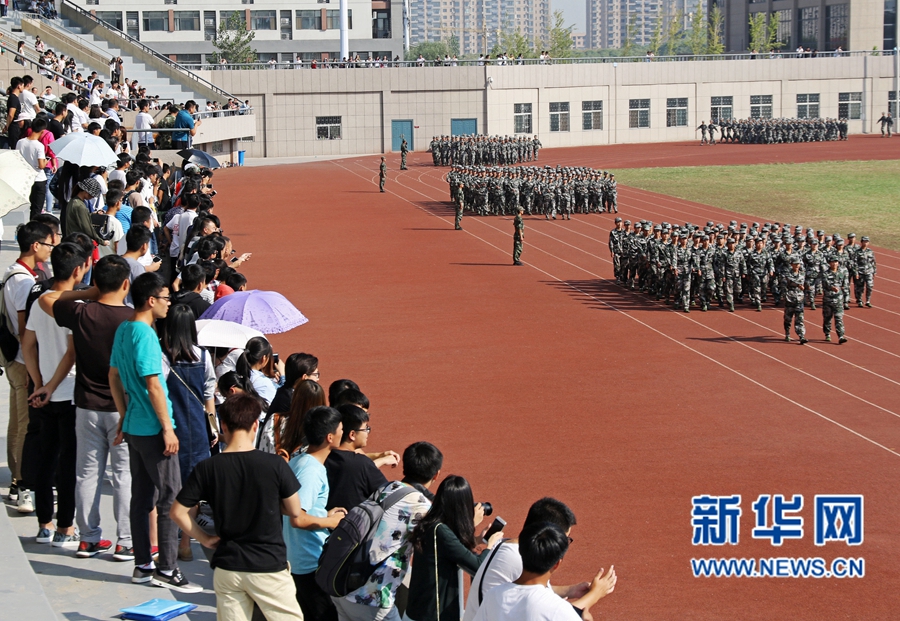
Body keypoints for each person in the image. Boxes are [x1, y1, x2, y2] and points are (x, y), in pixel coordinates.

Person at [170, 393, 305, 621]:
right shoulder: (274, 464)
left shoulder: (207, 467)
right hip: (268, 565)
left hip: (228, 566)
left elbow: (177, 512)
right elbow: (294, 510)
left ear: (223, 425)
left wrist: (205, 539)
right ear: (255, 425)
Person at [109, 272, 200, 592]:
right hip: (153, 430)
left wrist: (124, 416)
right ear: (151, 300)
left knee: (141, 497)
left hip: (135, 426)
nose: (168, 304)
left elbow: (113, 376)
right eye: (165, 298)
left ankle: (143, 564)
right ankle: (168, 567)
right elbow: (153, 385)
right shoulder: (145, 335)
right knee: (170, 497)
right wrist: (167, 429)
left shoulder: (124, 329)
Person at [41, 255, 135, 558]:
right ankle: (125, 541)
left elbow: (47, 298)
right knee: (123, 476)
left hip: (86, 405)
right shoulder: (133, 319)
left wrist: (89, 293)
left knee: (87, 473)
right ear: (126, 283)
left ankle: (89, 538)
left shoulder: (81, 312)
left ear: (96, 282)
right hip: (123, 410)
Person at [464, 498, 616, 621]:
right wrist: (595, 595)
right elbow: (550, 610)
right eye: (565, 539)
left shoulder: (510, 551)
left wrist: (571, 590)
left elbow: (531, 590)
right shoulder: (554, 608)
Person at [331, 445, 437, 621]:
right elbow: (441, 536)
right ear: (436, 475)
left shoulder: (387, 487)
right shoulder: (420, 505)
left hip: (342, 586)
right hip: (371, 598)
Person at [3, 221, 54, 513]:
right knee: (24, 424)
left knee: (16, 422)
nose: (51, 249)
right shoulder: (24, 282)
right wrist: (34, 368)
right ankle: (21, 482)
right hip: (23, 361)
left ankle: (16, 478)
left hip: (14, 359)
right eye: (48, 244)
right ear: (35, 245)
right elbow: (25, 329)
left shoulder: (13, 273)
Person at [159, 303, 216, 561]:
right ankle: (185, 543)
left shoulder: (162, 355)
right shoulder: (203, 357)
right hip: (198, 429)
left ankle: (167, 541)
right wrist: (213, 429)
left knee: (169, 487)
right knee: (192, 491)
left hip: (172, 428)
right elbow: (209, 396)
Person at [281, 405, 348, 621]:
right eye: (341, 429)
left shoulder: (299, 461)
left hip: (299, 558)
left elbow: (296, 508)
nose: (343, 432)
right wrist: (331, 521)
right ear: (330, 437)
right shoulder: (311, 470)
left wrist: (324, 513)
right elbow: (297, 518)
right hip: (309, 561)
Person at [406, 475, 504, 621]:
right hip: (433, 616)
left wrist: (476, 540)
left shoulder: (431, 524)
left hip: (418, 612)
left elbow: (454, 550)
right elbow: (478, 566)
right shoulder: (441, 531)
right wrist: (490, 545)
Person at [324, 404, 388, 510]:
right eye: (365, 429)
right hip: (356, 519)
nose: (367, 433)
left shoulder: (323, 456)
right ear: (352, 434)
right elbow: (387, 494)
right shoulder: (362, 463)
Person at [236, 336, 284, 408]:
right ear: (263, 358)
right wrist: (283, 375)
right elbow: (284, 397)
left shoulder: (238, 374)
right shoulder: (264, 383)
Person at [17, 117, 48, 219]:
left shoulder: (20, 142)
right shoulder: (39, 146)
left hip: (26, 178)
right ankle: (34, 226)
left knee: (30, 206)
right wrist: (46, 161)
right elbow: (41, 165)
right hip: (38, 178)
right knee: (37, 208)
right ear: (42, 131)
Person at [821, 255, 848, 344]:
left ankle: (841, 336)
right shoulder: (825, 273)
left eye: (836, 262)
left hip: (838, 300)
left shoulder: (842, 272)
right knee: (827, 318)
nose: (834, 264)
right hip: (828, 300)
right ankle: (827, 333)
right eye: (832, 262)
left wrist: (845, 296)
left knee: (839, 318)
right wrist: (832, 288)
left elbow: (845, 284)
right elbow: (825, 284)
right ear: (829, 263)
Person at [783, 256, 807, 344]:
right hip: (790, 298)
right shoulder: (788, 273)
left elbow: (806, 283)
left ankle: (801, 336)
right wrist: (798, 285)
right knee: (788, 318)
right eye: (795, 264)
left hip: (799, 299)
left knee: (799, 319)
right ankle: (787, 333)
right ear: (791, 265)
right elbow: (790, 281)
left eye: (798, 264)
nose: (797, 266)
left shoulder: (802, 274)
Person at [853, 236, 876, 308]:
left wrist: (874, 271)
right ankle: (859, 300)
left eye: (867, 242)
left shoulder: (870, 251)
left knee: (870, 286)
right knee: (860, 287)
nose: (865, 243)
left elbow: (873, 262)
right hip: (860, 272)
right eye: (864, 242)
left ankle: (868, 301)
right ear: (861, 242)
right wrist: (856, 272)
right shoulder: (857, 252)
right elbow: (854, 263)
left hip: (869, 272)